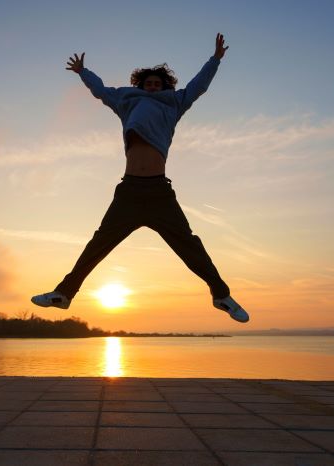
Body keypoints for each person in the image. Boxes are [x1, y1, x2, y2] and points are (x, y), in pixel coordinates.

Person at [31, 33, 249, 323]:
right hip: (130, 192)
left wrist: (215, 60)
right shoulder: (127, 101)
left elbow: (198, 86)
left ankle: (221, 295)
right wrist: (83, 72)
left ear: (165, 87)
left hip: (159, 192)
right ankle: (64, 294)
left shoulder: (174, 102)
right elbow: (101, 90)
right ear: (141, 85)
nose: (153, 87)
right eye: (149, 84)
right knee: (99, 243)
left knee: (189, 245)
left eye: (158, 84)